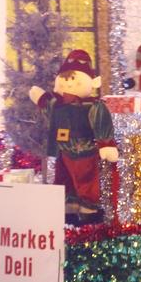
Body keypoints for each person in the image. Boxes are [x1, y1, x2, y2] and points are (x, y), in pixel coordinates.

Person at [29, 49, 118, 225]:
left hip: (85, 152)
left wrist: (106, 144)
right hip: (63, 152)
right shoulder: (58, 105)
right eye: (65, 79)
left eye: (73, 79)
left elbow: (101, 123)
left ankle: (89, 211)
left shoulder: (92, 106)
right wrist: (40, 97)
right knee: (64, 180)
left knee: (86, 182)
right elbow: (47, 106)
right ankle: (68, 209)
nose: (68, 84)